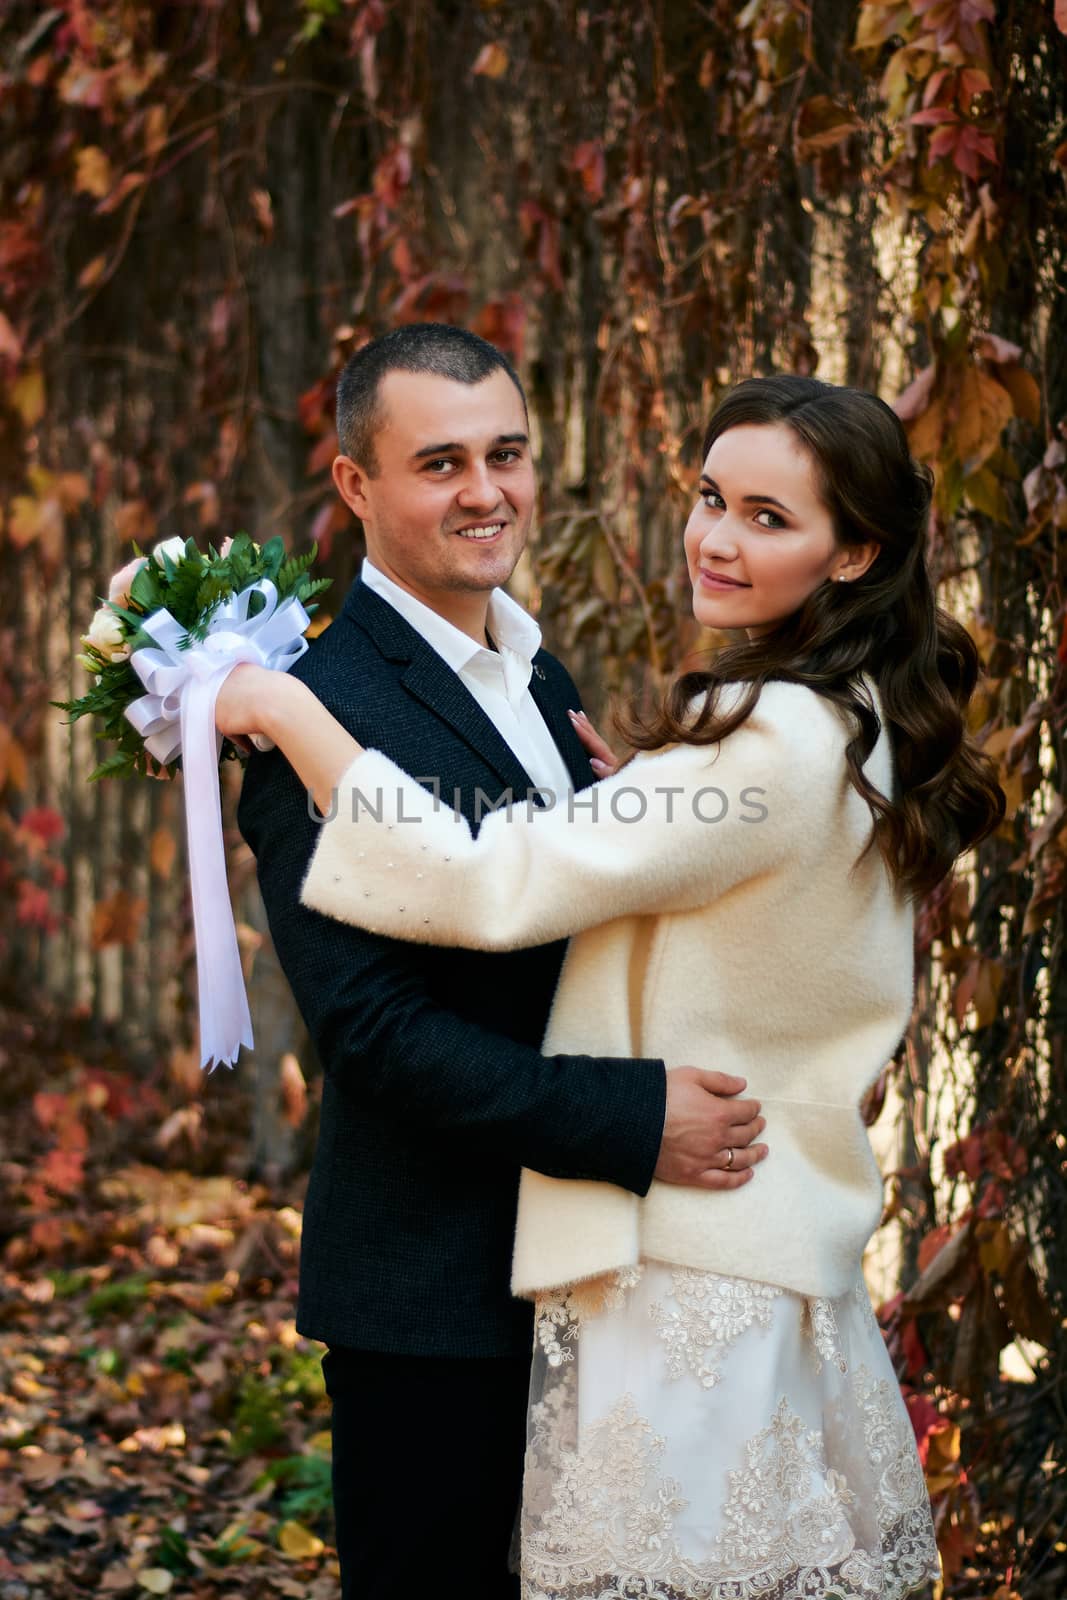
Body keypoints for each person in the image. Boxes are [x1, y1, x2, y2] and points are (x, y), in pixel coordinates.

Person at [219, 373, 1005, 1600]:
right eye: (707, 499)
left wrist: (280, 708)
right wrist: (647, 803)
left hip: (693, 1256)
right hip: (529, 1272)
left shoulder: (747, 733)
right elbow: (371, 1028)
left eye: (766, 516)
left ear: (853, 552)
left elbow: (484, 884)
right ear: (354, 486)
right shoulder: (841, 717)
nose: (715, 537)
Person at [235, 324, 768, 1600]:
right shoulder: (314, 714)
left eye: (506, 454)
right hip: (434, 1297)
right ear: (357, 486)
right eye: (441, 463)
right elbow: (376, 1034)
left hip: (588, 1274)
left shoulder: (535, 670)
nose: (486, 492)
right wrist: (633, 1121)